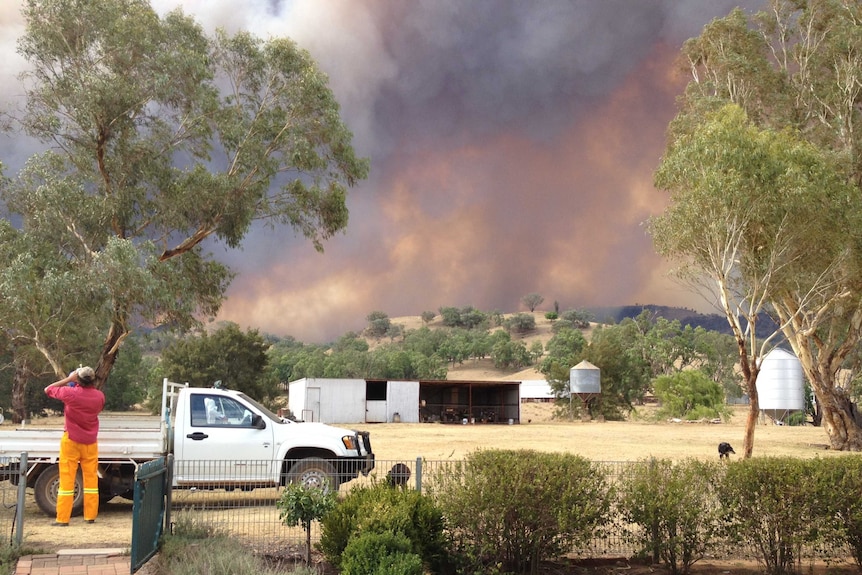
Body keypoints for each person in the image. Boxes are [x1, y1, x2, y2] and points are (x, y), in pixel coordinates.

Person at [44, 366, 105, 526]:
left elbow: (48, 389)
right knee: (91, 479)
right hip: (90, 442)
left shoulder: (70, 393)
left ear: (78, 379)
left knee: (67, 479)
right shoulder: (99, 397)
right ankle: (90, 516)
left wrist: (69, 379)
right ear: (92, 380)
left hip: (71, 440)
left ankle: (63, 518)